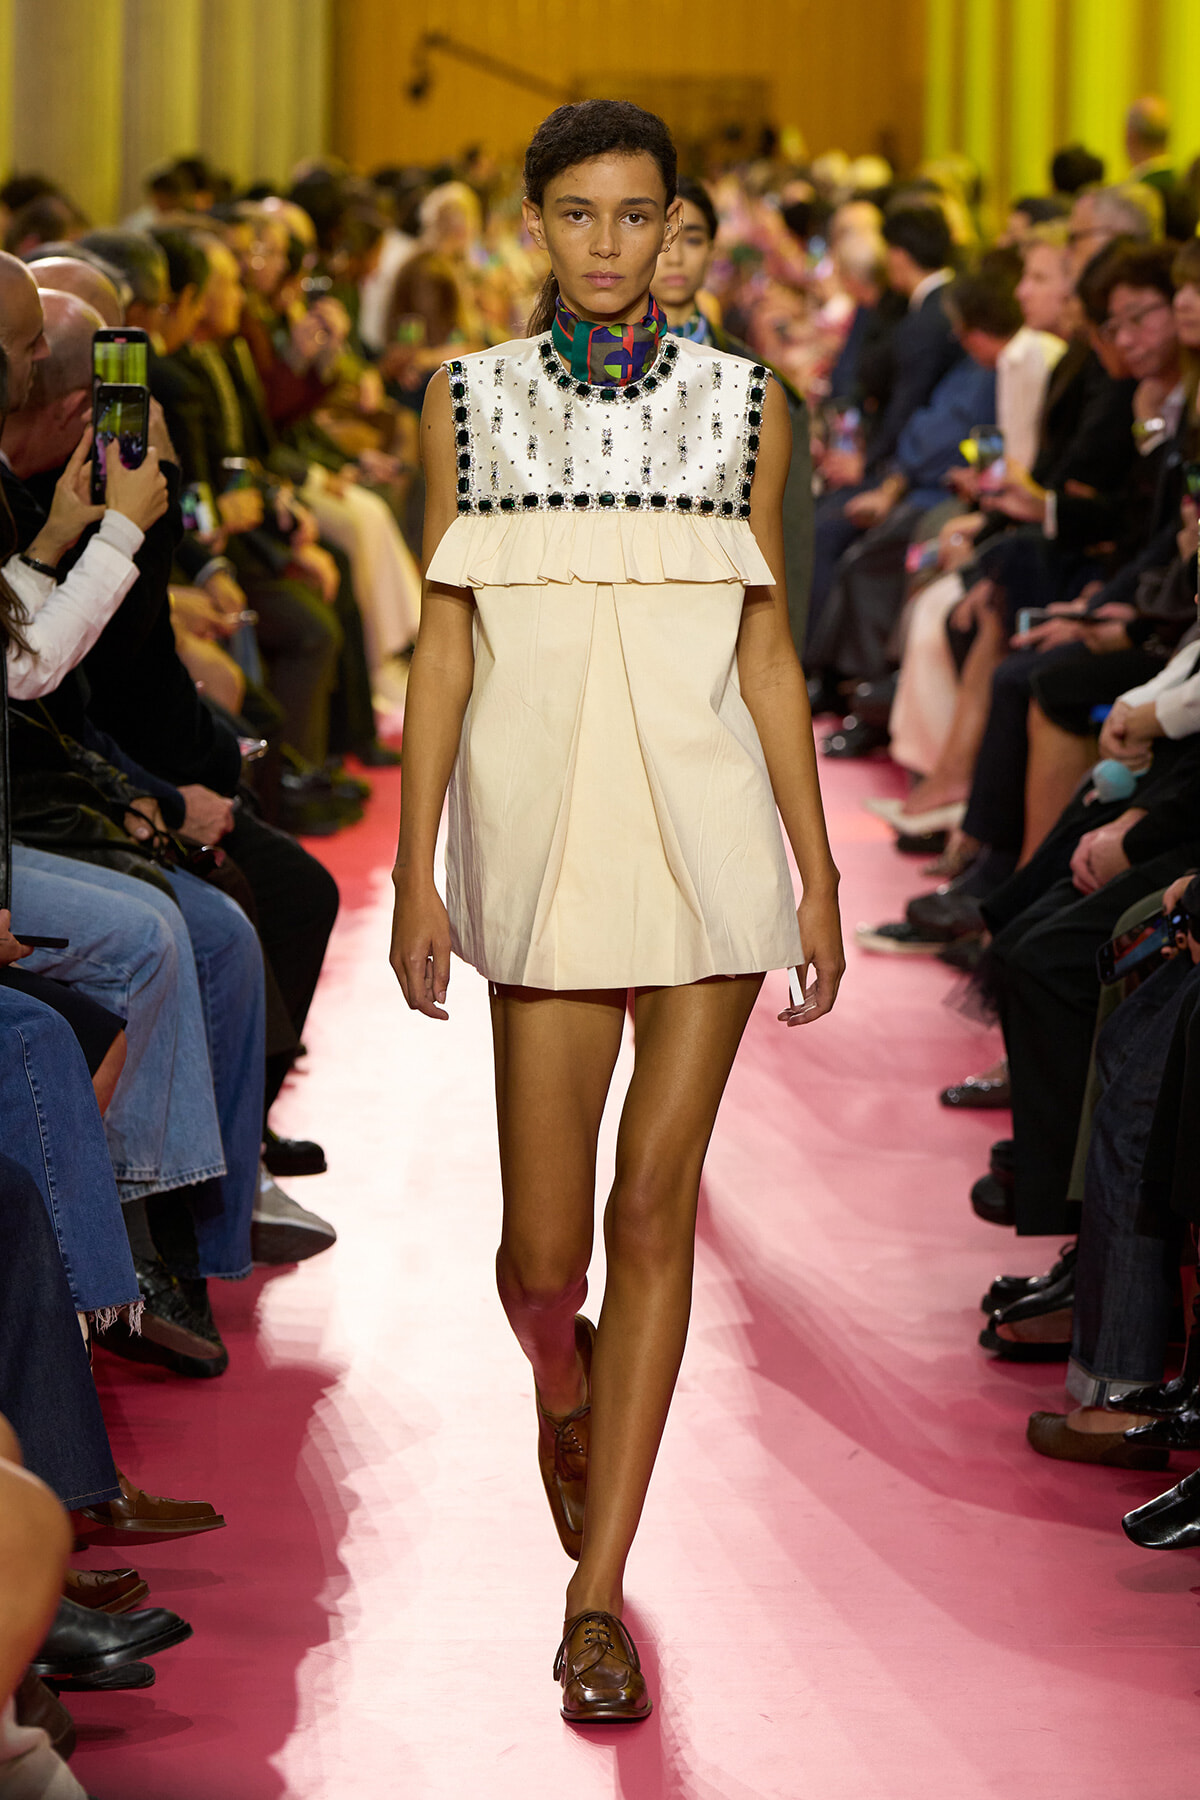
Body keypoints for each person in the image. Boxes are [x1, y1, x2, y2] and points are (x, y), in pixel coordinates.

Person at [389, 98, 844, 1726]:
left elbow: (771, 649)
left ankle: (595, 1600)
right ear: (533, 225)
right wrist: (414, 867)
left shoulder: (745, 410)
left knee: (654, 1218)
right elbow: (443, 643)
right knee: (541, 1253)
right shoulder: (462, 404)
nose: (604, 241)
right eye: (574, 213)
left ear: (672, 230)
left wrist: (817, 868)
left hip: (708, 841)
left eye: (632, 215)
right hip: (538, 837)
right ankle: (558, 1374)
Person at [653, 174, 814, 652]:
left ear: (713, 250)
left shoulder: (765, 388)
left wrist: (785, 654)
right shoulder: (586, 376)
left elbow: (792, 538)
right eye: (663, 238)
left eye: (694, 239)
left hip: (726, 625)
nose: (677, 256)